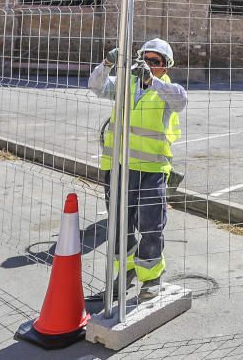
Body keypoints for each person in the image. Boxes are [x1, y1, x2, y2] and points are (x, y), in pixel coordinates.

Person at [87, 38, 187, 301]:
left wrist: (151, 81)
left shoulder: (166, 90)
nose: (148, 65)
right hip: (118, 167)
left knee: (150, 225)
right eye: (145, 60)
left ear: (165, 67)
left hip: (151, 169)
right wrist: (108, 63)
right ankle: (127, 272)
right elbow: (95, 86)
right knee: (120, 224)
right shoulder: (125, 85)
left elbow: (181, 101)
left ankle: (151, 278)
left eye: (155, 62)